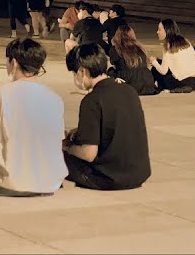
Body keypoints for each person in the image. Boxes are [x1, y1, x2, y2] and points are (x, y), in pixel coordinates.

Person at [0, 38, 66, 196]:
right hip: (50, 183)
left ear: (14, 63)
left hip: (12, 184)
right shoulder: (54, 98)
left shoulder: (0, 95)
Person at [63, 43, 151, 190]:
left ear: (82, 72)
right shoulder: (128, 90)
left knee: (53, 154)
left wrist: (68, 148)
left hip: (109, 177)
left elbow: (88, 153)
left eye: (74, 73)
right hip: (139, 173)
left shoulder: (92, 100)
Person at [150, 19, 195, 93]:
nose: (157, 32)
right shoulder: (185, 41)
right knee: (160, 62)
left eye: (159, 30)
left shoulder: (168, 45)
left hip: (182, 82)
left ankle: (155, 88)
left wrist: (153, 61)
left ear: (167, 30)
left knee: (156, 67)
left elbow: (163, 71)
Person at [110, 23, 156, 96]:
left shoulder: (116, 48)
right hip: (146, 82)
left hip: (131, 82)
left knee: (111, 71)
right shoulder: (139, 47)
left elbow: (115, 64)